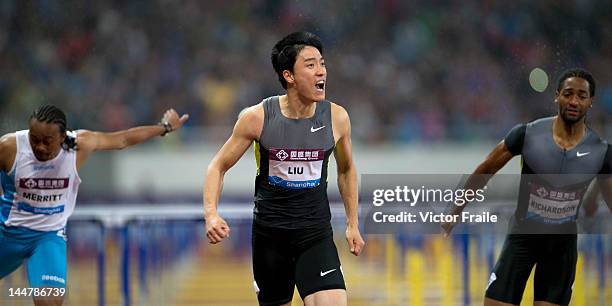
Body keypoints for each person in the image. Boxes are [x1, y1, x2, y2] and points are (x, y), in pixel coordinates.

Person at [203, 31, 365, 306]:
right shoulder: (257, 118)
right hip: (271, 238)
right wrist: (211, 215)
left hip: (315, 233)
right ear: (288, 75)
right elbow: (218, 166)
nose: (321, 72)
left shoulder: (337, 118)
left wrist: (352, 223)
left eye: (322, 64)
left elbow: (347, 170)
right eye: (310, 65)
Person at [442, 68, 612, 306]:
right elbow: (486, 169)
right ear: (557, 96)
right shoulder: (527, 134)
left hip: (561, 248)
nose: (574, 101)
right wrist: (455, 210)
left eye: (581, 96)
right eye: (568, 93)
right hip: (522, 239)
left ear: (590, 102)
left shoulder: (601, 151)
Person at [0, 105, 189, 306]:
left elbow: (123, 139)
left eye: (48, 141)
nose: (39, 147)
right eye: (34, 139)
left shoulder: (79, 144)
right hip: (7, 233)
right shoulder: (9, 147)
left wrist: (165, 127)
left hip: (47, 237)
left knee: (49, 301)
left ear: (63, 137)